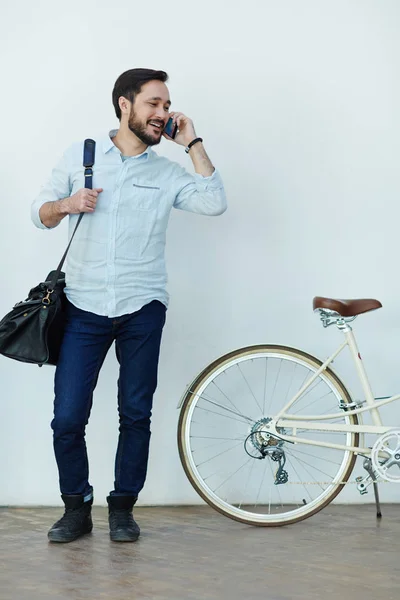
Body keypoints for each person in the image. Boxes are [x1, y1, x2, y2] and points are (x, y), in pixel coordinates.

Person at [31, 68, 227, 544]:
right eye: (153, 105)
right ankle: (76, 509)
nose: (162, 114)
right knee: (68, 417)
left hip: (143, 307)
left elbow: (214, 201)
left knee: (135, 412)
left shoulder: (166, 171)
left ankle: (123, 508)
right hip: (82, 307)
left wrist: (192, 141)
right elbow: (38, 214)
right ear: (125, 105)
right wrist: (66, 204)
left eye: (166, 106)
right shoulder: (82, 155)